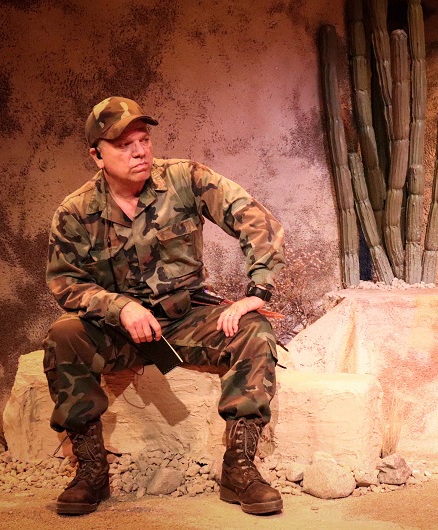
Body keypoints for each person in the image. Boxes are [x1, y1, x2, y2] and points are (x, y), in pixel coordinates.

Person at [43, 97, 287, 516]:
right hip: (117, 330)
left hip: (183, 318)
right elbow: (65, 282)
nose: (139, 151)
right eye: (123, 144)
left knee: (256, 330)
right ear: (96, 155)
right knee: (63, 336)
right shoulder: (75, 211)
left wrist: (258, 291)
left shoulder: (184, 179)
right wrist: (118, 307)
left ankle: (239, 466)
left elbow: (254, 217)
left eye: (144, 139)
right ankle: (91, 470)